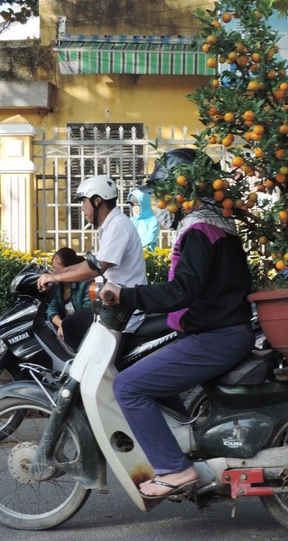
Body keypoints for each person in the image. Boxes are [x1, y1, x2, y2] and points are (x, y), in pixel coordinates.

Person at [98, 148, 254, 499]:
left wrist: (128, 295)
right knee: (144, 369)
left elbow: (183, 290)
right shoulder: (214, 225)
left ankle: (174, 468)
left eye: (166, 193)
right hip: (219, 329)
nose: (162, 203)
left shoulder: (200, 229)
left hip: (216, 336)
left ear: (184, 190)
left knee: (127, 387)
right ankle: (184, 449)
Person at [37, 175, 147, 349]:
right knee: (70, 325)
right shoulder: (109, 226)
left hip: (121, 310)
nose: (82, 208)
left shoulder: (119, 225)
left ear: (97, 201)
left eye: (83, 202)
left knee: (97, 366)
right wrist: (59, 272)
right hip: (109, 306)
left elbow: (97, 268)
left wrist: (56, 279)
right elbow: (94, 262)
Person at [45, 247, 93, 341]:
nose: (53, 271)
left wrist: (68, 327)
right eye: (52, 267)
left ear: (71, 268)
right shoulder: (56, 284)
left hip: (81, 330)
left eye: (57, 269)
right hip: (62, 327)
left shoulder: (87, 283)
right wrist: (61, 324)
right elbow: (51, 306)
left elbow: (87, 312)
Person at [127, 185, 160, 250]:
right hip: (131, 254)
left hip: (148, 255)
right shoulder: (132, 220)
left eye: (138, 205)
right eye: (132, 205)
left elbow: (150, 237)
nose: (135, 207)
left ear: (145, 204)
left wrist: (133, 247)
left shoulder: (153, 220)